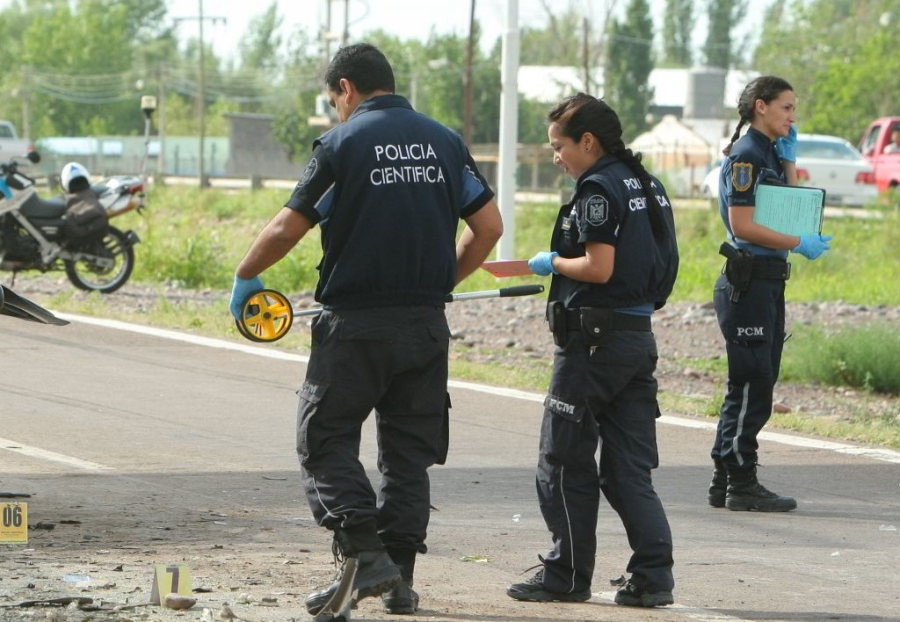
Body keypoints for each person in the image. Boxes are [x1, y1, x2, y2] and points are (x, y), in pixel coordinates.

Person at [229, 43, 503, 616]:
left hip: (355, 327)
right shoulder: (444, 141)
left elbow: (288, 225)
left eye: (334, 100)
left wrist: (246, 274)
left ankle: (364, 555)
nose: (336, 110)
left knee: (324, 438)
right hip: (426, 326)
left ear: (346, 89)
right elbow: (488, 228)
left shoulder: (344, 143)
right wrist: (439, 282)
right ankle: (396, 580)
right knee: (407, 456)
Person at [506, 93, 679, 609]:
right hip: (636, 338)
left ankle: (566, 573)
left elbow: (599, 267)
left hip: (592, 346)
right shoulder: (647, 183)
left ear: (588, 141)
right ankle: (653, 577)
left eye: (559, 145)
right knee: (627, 470)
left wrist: (553, 263)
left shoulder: (599, 188)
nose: (555, 155)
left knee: (562, 459)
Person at [708, 75, 832, 513]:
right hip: (749, 281)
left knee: (757, 378)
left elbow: (790, 211)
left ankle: (725, 476)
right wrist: (799, 244)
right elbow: (743, 225)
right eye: (786, 107)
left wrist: (790, 161)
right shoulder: (745, 156)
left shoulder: (768, 154)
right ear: (761, 106)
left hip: (768, 280)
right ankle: (740, 481)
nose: (792, 116)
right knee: (752, 381)